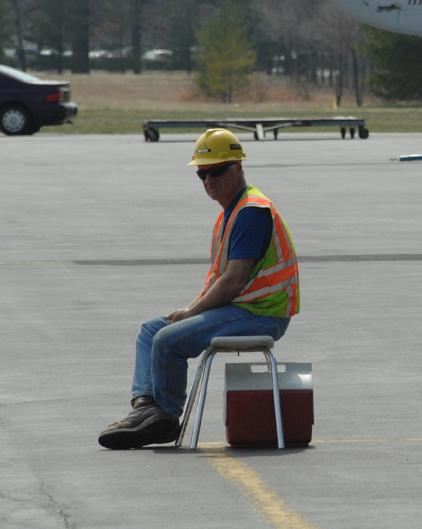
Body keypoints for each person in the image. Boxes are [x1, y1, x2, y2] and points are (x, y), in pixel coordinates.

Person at [98, 128, 300, 449]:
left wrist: (192, 312)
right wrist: (187, 312)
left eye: (216, 171)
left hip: (262, 313)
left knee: (167, 340)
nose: (208, 180)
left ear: (238, 168)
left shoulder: (251, 212)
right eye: (202, 174)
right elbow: (216, 281)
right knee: (151, 331)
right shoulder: (229, 214)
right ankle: (146, 408)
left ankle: (165, 417)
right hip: (240, 308)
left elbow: (234, 281)